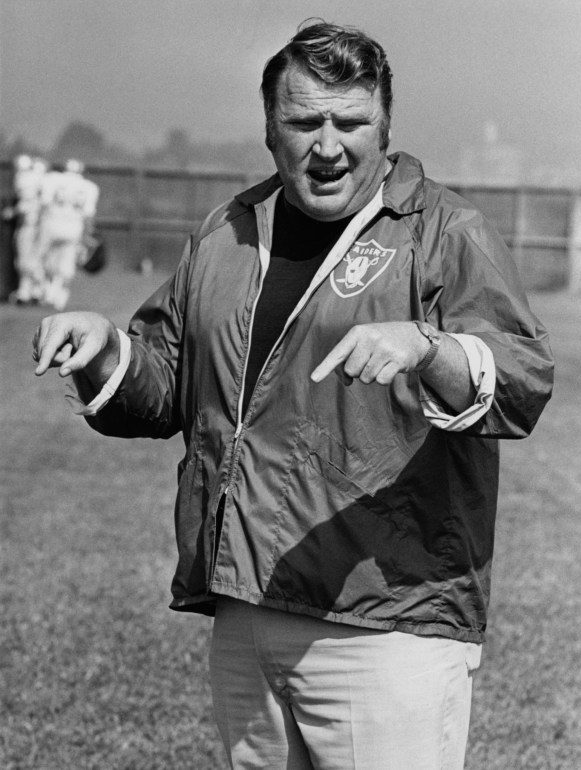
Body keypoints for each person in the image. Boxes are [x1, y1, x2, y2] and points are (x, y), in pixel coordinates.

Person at [32, 21, 554, 770]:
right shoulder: (228, 234)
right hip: (244, 614)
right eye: (305, 122)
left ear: (386, 126)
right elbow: (164, 385)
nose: (329, 145)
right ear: (270, 130)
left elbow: (523, 378)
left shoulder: (446, 232)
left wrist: (430, 347)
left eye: (351, 122)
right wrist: (107, 347)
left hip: (385, 625)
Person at [36, 158, 100, 310]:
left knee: (43, 260)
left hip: (52, 223)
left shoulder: (52, 179)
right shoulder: (89, 187)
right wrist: (88, 234)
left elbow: (44, 203)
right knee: (66, 262)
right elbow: (88, 215)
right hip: (74, 227)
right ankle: (59, 294)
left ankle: (47, 291)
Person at [7, 154, 48, 304]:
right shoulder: (43, 180)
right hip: (42, 226)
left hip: (30, 225)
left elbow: (26, 204)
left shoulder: (26, 179)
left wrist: (13, 212)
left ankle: (40, 289)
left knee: (26, 260)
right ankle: (30, 291)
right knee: (33, 260)